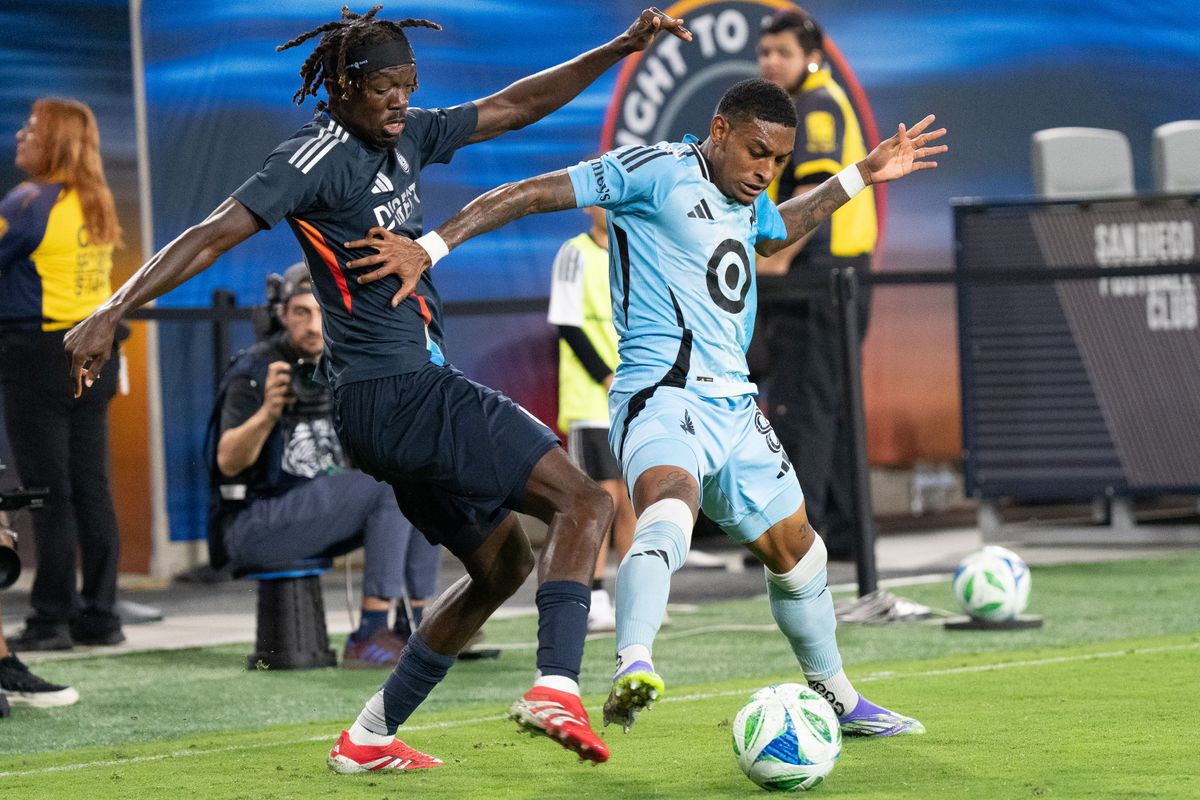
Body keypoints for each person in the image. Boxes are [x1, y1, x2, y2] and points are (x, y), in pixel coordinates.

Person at [64, 5, 692, 771]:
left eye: (409, 85)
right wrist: (113, 308)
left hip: (386, 405)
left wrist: (621, 45)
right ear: (341, 86)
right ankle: (556, 686)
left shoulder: (411, 135)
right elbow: (211, 233)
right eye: (384, 88)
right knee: (587, 502)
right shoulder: (312, 158)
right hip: (398, 390)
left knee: (502, 566)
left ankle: (368, 735)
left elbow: (516, 105)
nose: (400, 101)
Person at [344, 78, 945, 738]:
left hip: (735, 406)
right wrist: (430, 247)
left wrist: (861, 175)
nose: (765, 171)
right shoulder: (655, 172)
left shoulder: (747, 198)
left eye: (778, 159)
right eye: (756, 152)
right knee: (669, 512)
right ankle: (633, 663)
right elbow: (527, 193)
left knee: (801, 554)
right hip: (662, 396)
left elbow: (776, 235)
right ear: (719, 130)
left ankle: (838, 697)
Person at [211, 262, 441, 668]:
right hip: (255, 521)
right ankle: (370, 631)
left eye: (321, 311)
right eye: (301, 312)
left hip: (320, 510)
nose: (314, 325)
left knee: (421, 478)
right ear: (283, 314)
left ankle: (420, 626)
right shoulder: (256, 370)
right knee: (388, 488)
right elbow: (227, 462)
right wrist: (268, 412)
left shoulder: (340, 362)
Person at [0, 97, 126, 651]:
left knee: (49, 493)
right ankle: (100, 616)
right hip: (94, 355)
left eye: (32, 129)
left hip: (39, 357)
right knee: (91, 488)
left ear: (54, 141)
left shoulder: (27, 202)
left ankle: (52, 619)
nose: (20, 136)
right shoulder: (98, 202)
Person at [755, 10, 878, 559]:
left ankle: (800, 541)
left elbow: (818, 194)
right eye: (765, 52)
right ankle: (848, 535)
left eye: (783, 52)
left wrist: (776, 261)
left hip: (816, 274)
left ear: (813, 58)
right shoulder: (805, 103)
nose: (770, 62)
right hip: (835, 275)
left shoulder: (815, 105)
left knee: (803, 406)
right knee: (831, 405)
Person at [546, 205, 636, 632]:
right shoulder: (573, 252)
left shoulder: (634, 250)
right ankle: (594, 595)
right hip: (591, 401)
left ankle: (634, 596)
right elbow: (567, 324)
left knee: (634, 499)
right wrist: (606, 376)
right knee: (602, 499)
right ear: (587, 205)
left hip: (634, 400)